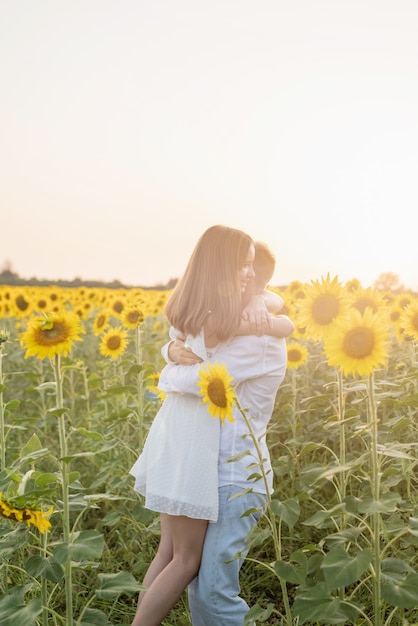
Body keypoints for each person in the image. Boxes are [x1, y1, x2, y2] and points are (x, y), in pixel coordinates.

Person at [129, 225, 293, 626]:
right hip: (198, 462)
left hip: (232, 475)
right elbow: (185, 336)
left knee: (207, 589)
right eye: (244, 265)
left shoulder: (259, 334)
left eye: (254, 268)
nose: (250, 275)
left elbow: (197, 381)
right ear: (222, 267)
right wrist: (170, 351)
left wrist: (167, 370)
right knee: (177, 560)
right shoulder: (209, 323)